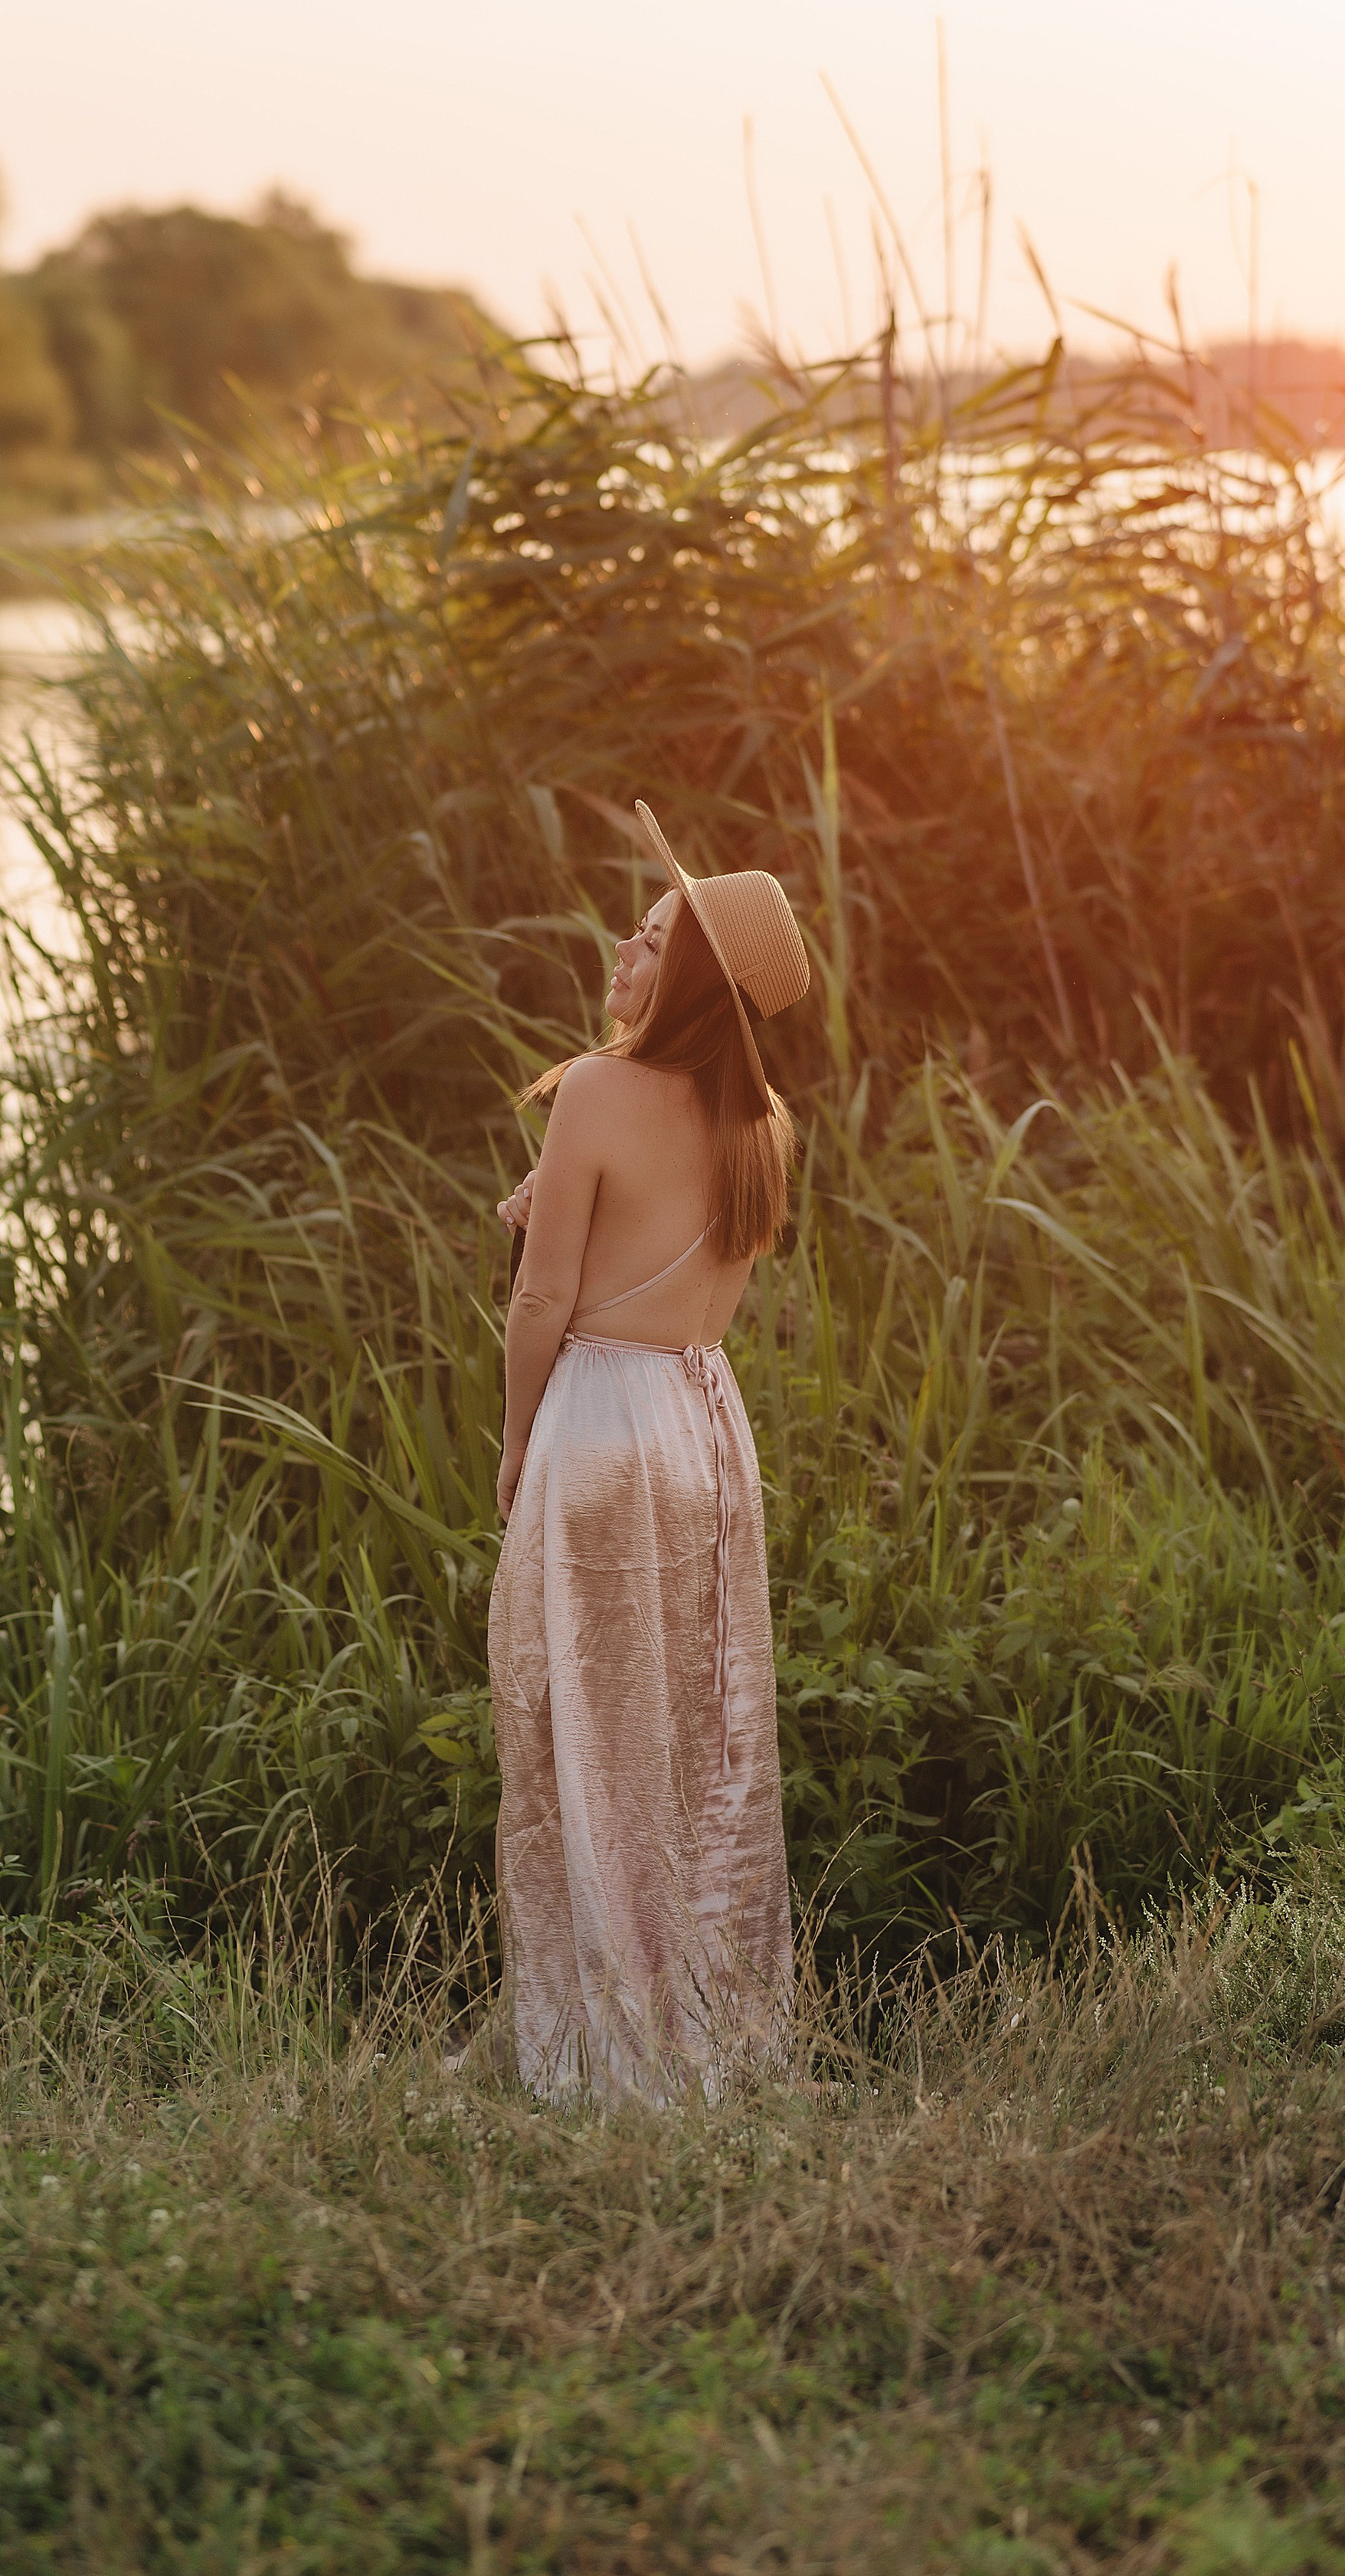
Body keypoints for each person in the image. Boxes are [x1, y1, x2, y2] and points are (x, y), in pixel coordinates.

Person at [487, 799, 810, 2100]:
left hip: (602, 1423)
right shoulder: (765, 1125)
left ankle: (601, 2051)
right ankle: (716, 2029)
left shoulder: (598, 1090)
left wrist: (516, 1446)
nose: (629, 935)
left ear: (687, 977)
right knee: (705, 1741)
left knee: (592, 1735)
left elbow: (542, 1305)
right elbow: (672, 1271)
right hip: (704, 1428)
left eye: (655, 927)